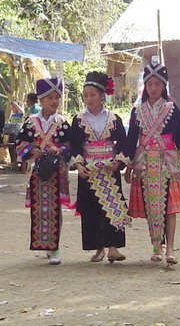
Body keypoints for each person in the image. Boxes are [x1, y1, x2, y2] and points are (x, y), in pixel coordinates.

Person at [124, 57, 180, 265]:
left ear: (164, 85)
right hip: (144, 162)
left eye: (157, 84)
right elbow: (131, 140)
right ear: (145, 85)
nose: (153, 87)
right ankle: (157, 245)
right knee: (151, 206)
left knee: (170, 207)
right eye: (150, 83)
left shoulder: (171, 108)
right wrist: (128, 167)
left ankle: (170, 248)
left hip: (167, 161)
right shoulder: (137, 111)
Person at [69, 71, 131, 264]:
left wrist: (118, 162)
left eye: (92, 95)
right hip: (88, 171)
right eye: (85, 95)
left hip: (109, 170)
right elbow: (74, 145)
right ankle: (98, 249)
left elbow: (123, 142)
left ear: (102, 95)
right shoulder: (78, 119)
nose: (89, 99)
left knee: (113, 207)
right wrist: (79, 166)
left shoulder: (113, 118)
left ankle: (113, 248)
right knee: (91, 210)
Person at [15, 76, 72, 265]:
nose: (54, 102)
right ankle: (45, 244)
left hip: (56, 171)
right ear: (41, 100)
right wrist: (32, 150)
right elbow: (20, 143)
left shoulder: (63, 123)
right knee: (40, 208)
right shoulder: (30, 123)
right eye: (50, 98)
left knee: (56, 208)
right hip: (38, 171)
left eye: (57, 98)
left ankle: (55, 247)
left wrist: (61, 149)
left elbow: (70, 144)